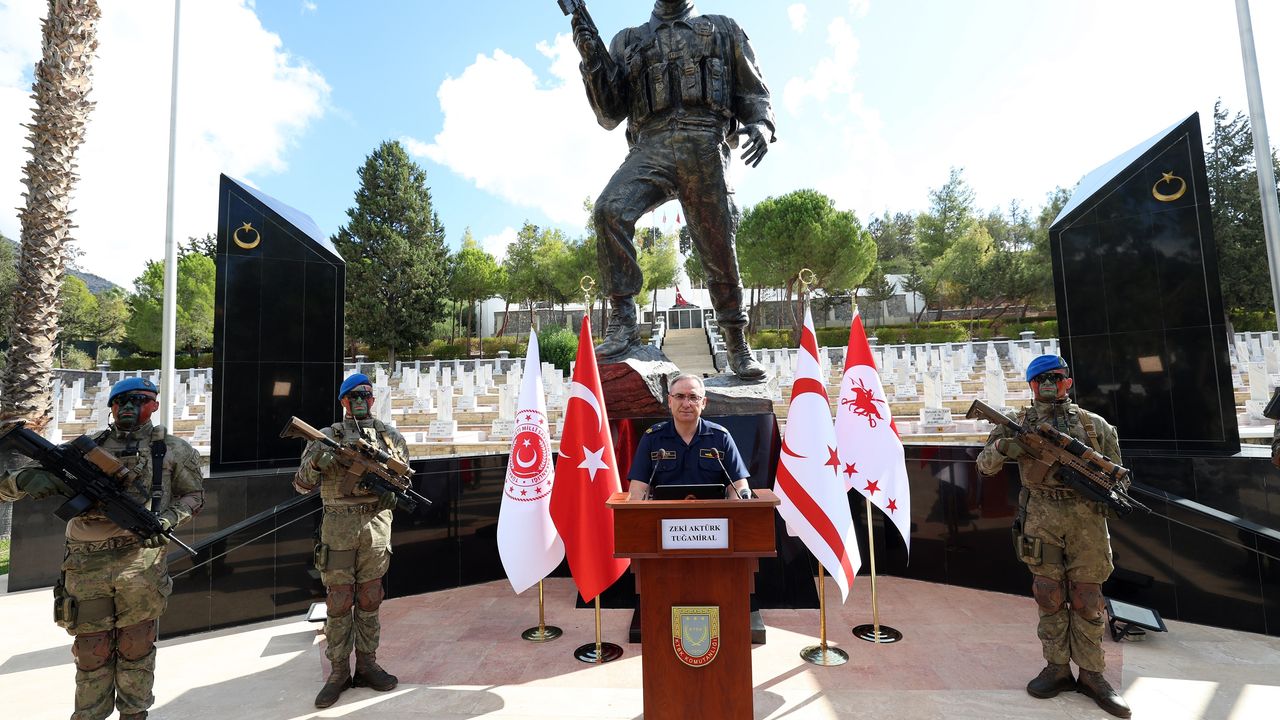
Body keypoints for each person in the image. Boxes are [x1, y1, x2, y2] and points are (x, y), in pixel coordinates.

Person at [570, 0, 771, 379]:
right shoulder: (628, 41)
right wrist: (591, 57)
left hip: (705, 140)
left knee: (718, 245)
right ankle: (624, 319)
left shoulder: (724, 29)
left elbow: (753, 92)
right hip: (652, 145)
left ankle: (736, 340)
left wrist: (761, 124)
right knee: (609, 210)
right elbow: (609, 114)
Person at [0, 377, 205, 720]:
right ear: (110, 407)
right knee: (91, 651)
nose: (128, 406)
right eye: (120, 400)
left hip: (139, 565)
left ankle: (134, 713)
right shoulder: (85, 449)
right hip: (86, 565)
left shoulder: (174, 450)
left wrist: (168, 520)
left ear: (154, 404)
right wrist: (23, 480)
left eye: (139, 399)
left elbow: (194, 496)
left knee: (136, 647)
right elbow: (8, 490)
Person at [976, 355, 1131, 718]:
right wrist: (1002, 448)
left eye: (1056, 378)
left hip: (1087, 522)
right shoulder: (1016, 425)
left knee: (1088, 598)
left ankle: (1093, 675)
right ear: (1031, 386)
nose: (1049, 385)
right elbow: (984, 467)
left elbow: (1120, 477)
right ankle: (1057, 668)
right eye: (1040, 380)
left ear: (1068, 382)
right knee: (1048, 594)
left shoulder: (1096, 427)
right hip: (1041, 515)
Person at [293, 373, 407, 708]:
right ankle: (339, 671)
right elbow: (300, 484)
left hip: (374, 530)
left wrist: (392, 497)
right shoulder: (326, 437)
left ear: (373, 399)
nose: (360, 401)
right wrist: (317, 463)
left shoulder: (391, 438)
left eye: (366, 396)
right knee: (339, 602)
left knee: (371, 597)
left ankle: (368, 664)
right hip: (339, 530)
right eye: (353, 396)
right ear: (343, 401)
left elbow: (402, 480)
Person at [627, 373, 751, 500]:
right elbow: (638, 488)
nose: (686, 404)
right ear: (670, 401)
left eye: (693, 397)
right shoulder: (652, 438)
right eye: (679, 396)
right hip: (664, 516)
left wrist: (737, 509)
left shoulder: (721, 437)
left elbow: (738, 486)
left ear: (703, 402)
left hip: (712, 517)